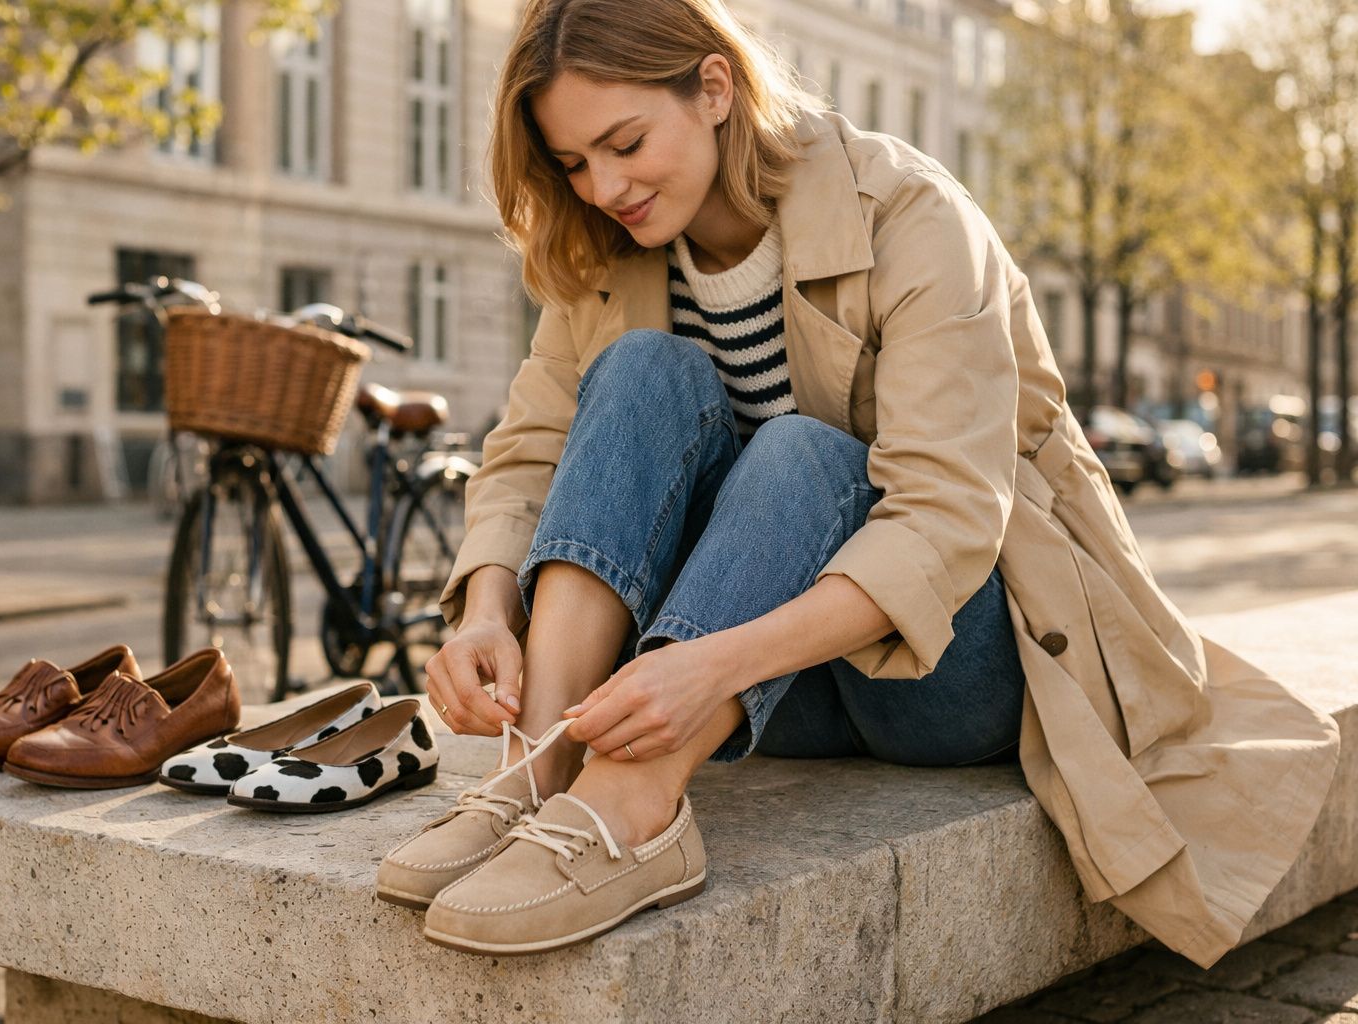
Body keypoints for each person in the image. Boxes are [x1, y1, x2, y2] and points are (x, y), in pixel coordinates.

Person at [377, 0, 1339, 965]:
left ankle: (634, 809)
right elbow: (531, 451)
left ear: (714, 89)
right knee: (637, 372)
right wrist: (486, 612)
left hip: (942, 669)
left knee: (801, 452)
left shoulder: (910, 214)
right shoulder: (606, 253)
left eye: (625, 144)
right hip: (755, 691)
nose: (605, 187)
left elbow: (944, 522)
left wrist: (712, 665)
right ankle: (537, 769)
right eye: (574, 164)